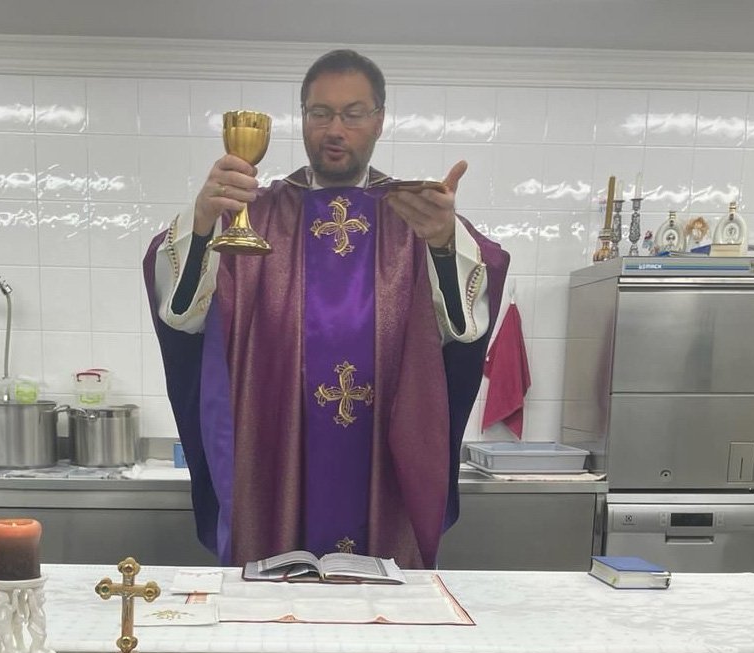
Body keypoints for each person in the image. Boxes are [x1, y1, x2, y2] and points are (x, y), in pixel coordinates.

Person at [143, 49, 509, 569]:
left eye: (353, 113)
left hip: (383, 456)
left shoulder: (417, 215)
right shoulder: (255, 213)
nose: (335, 128)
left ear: (379, 120)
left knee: (378, 627)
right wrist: (203, 220)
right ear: (302, 118)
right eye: (320, 113)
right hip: (274, 453)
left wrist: (447, 243)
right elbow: (183, 316)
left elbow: (463, 333)